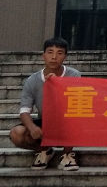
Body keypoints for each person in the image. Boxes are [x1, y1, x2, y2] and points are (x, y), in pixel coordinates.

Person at [9, 38, 81, 171]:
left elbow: (76, 105)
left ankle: (67, 155)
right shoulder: (32, 80)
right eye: (50, 52)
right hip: (45, 122)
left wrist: (57, 85)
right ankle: (45, 150)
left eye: (59, 53)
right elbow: (24, 111)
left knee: (77, 117)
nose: (54, 57)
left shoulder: (74, 75)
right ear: (43, 55)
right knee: (16, 134)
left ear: (65, 56)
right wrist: (32, 128)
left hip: (66, 120)